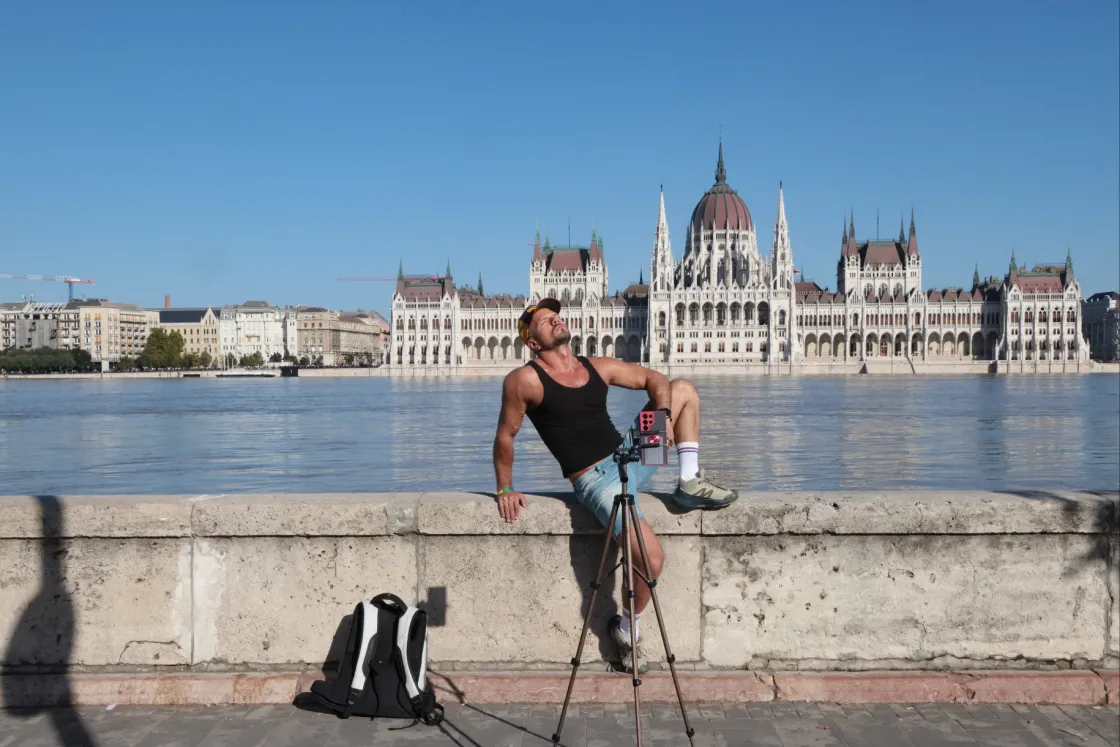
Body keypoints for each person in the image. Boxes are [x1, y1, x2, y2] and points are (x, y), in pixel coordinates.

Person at [492, 297, 738, 673]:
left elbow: (653, 379)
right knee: (651, 560)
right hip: (599, 482)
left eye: (557, 317)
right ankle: (628, 627)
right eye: (546, 322)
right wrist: (505, 489)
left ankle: (688, 480)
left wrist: (663, 415)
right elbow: (506, 436)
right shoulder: (525, 379)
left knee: (682, 388)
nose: (556, 322)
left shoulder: (596, 366)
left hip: (630, 455)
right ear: (533, 342)